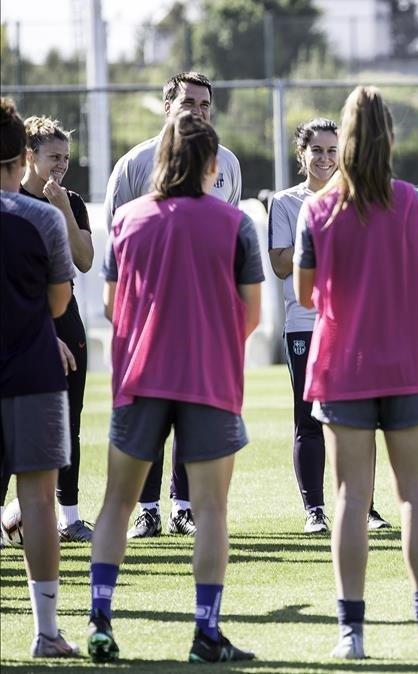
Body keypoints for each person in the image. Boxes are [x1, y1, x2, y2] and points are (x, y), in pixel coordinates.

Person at [87, 112, 261, 663]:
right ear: (212, 164)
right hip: (209, 376)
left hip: (140, 375)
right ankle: (206, 634)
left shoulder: (128, 219)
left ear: (159, 160)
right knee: (210, 510)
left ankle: (100, 621)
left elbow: (114, 307)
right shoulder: (235, 224)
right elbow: (251, 313)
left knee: (117, 502)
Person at [294, 86, 418, 658]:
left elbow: (306, 294)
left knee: (348, 500)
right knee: (415, 497)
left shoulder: (317, 208)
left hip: (343, 367)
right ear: (390, 138)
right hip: (410, 364)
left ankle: (352, 635)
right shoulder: (417, 202)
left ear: (344, 140)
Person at [105, 71, 243, 540]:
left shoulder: (228, 162)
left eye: (205, 103)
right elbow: (117, 248)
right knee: (150, 423)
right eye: (188, 101)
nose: (197, 110)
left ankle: (183, 506)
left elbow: (231, 243)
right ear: (167, 106)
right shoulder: (133, 164)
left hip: (203, 321)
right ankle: (147, 508)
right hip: (147, 321)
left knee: (195, 420)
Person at [267, 118, 391, 534]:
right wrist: (322, 234)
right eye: (316, 150)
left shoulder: (359, 199)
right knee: (309, 419)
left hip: (355, 325)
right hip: (305, 324)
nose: (325, 158)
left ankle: (365, 507)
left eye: (332, 150)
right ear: (301, 154)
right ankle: (315, 510)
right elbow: (281, 263)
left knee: (362, 419)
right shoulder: (285, 202)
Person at [0, 97, 80, 658]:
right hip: (33, 370)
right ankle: (46, 632)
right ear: (18, 156)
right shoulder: (44, 218)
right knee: (38, 500)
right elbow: (57, 302)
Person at [18, 116, 95, 543]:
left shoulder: (73, 202)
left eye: (66, 158)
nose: (61, 165)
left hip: (67, 320)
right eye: (53, 157)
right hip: (22, 324)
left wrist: (64, 207)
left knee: (70, 421)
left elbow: (84, 259)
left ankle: (70, 516)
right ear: (30, 155)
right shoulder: (10, 200)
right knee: (15, 423)